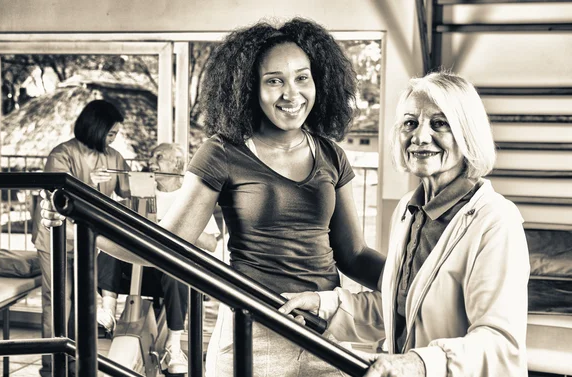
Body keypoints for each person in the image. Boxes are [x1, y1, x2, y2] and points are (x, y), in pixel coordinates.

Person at [41, 17, 385, 377]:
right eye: (274, 81)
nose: (291, 93)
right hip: (253, 328)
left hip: (323, 329)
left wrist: (412, 283)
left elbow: (355, 255)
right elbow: (168, 244)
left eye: (302, 77)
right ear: (250, 88)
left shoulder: (331, 155)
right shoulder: (223, 151)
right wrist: (82, 219)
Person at [279, 71, 530, 377]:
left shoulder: (495, 221)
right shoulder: (409, 210)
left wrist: (419, 363)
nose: (420, 137)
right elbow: (399, 310)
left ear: (468, 133)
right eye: (410, 123)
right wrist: (323, 305)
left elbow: (499, 344)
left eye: (440, 123)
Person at [96, 143, 220, 374]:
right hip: (136, 271)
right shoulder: (142, 192)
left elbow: (211, 244)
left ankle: (173, 344)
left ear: (177, 164)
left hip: (168, 274)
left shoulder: (191, 198)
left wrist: (175, 226)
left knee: (176, 265)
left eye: (160, 157)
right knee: (112, 246)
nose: (153, 160)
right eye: (152, 155)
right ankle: (108, 311)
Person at [31, 99, 131, 377]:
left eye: (116, 134)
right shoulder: (61, 154)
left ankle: (76, 361)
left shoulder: (114, 157)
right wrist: (91, 184)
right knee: (58, 301)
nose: (114, 139)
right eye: (111, 134)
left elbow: (127, 193)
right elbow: (56, 201)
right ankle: (53, 366)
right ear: (96, 129)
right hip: (56, 238)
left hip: (91, 241)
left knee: (83, 300)